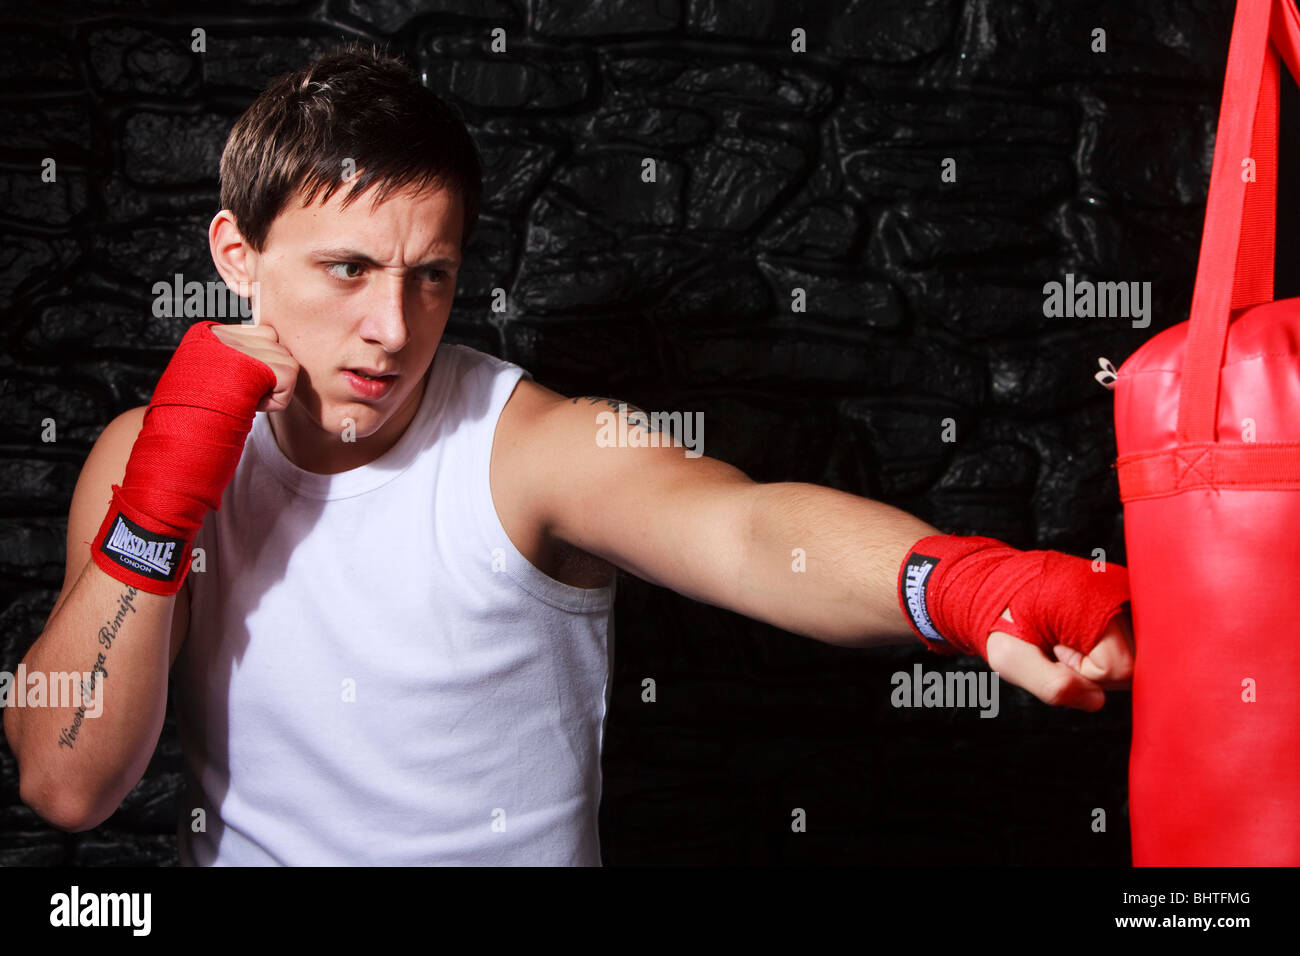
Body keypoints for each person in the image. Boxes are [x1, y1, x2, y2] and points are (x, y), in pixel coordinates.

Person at [3, 44, 1134, 865]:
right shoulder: (140, 458)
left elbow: (745, 527)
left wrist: (967, 581)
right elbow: (66, 783)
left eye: (430, 274)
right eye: (349, 268)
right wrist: (167, 491)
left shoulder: (527, 445)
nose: (395, 328)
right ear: (237, 254)